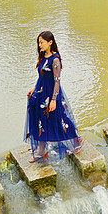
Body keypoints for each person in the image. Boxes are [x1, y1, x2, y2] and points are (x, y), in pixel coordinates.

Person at [25, 31, 82, 162]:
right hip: (41, 93)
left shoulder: (55, 59)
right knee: (40, 120)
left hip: (52, 94)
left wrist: (54, 100)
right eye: (38, 43)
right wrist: (34, 88)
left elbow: (57, 81)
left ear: (50, 42)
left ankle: (76, 139)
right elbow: (41, 77)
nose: (39, 45)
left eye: (42, 42)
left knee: (60, 118)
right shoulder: (43, 57)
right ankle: (40, 150)